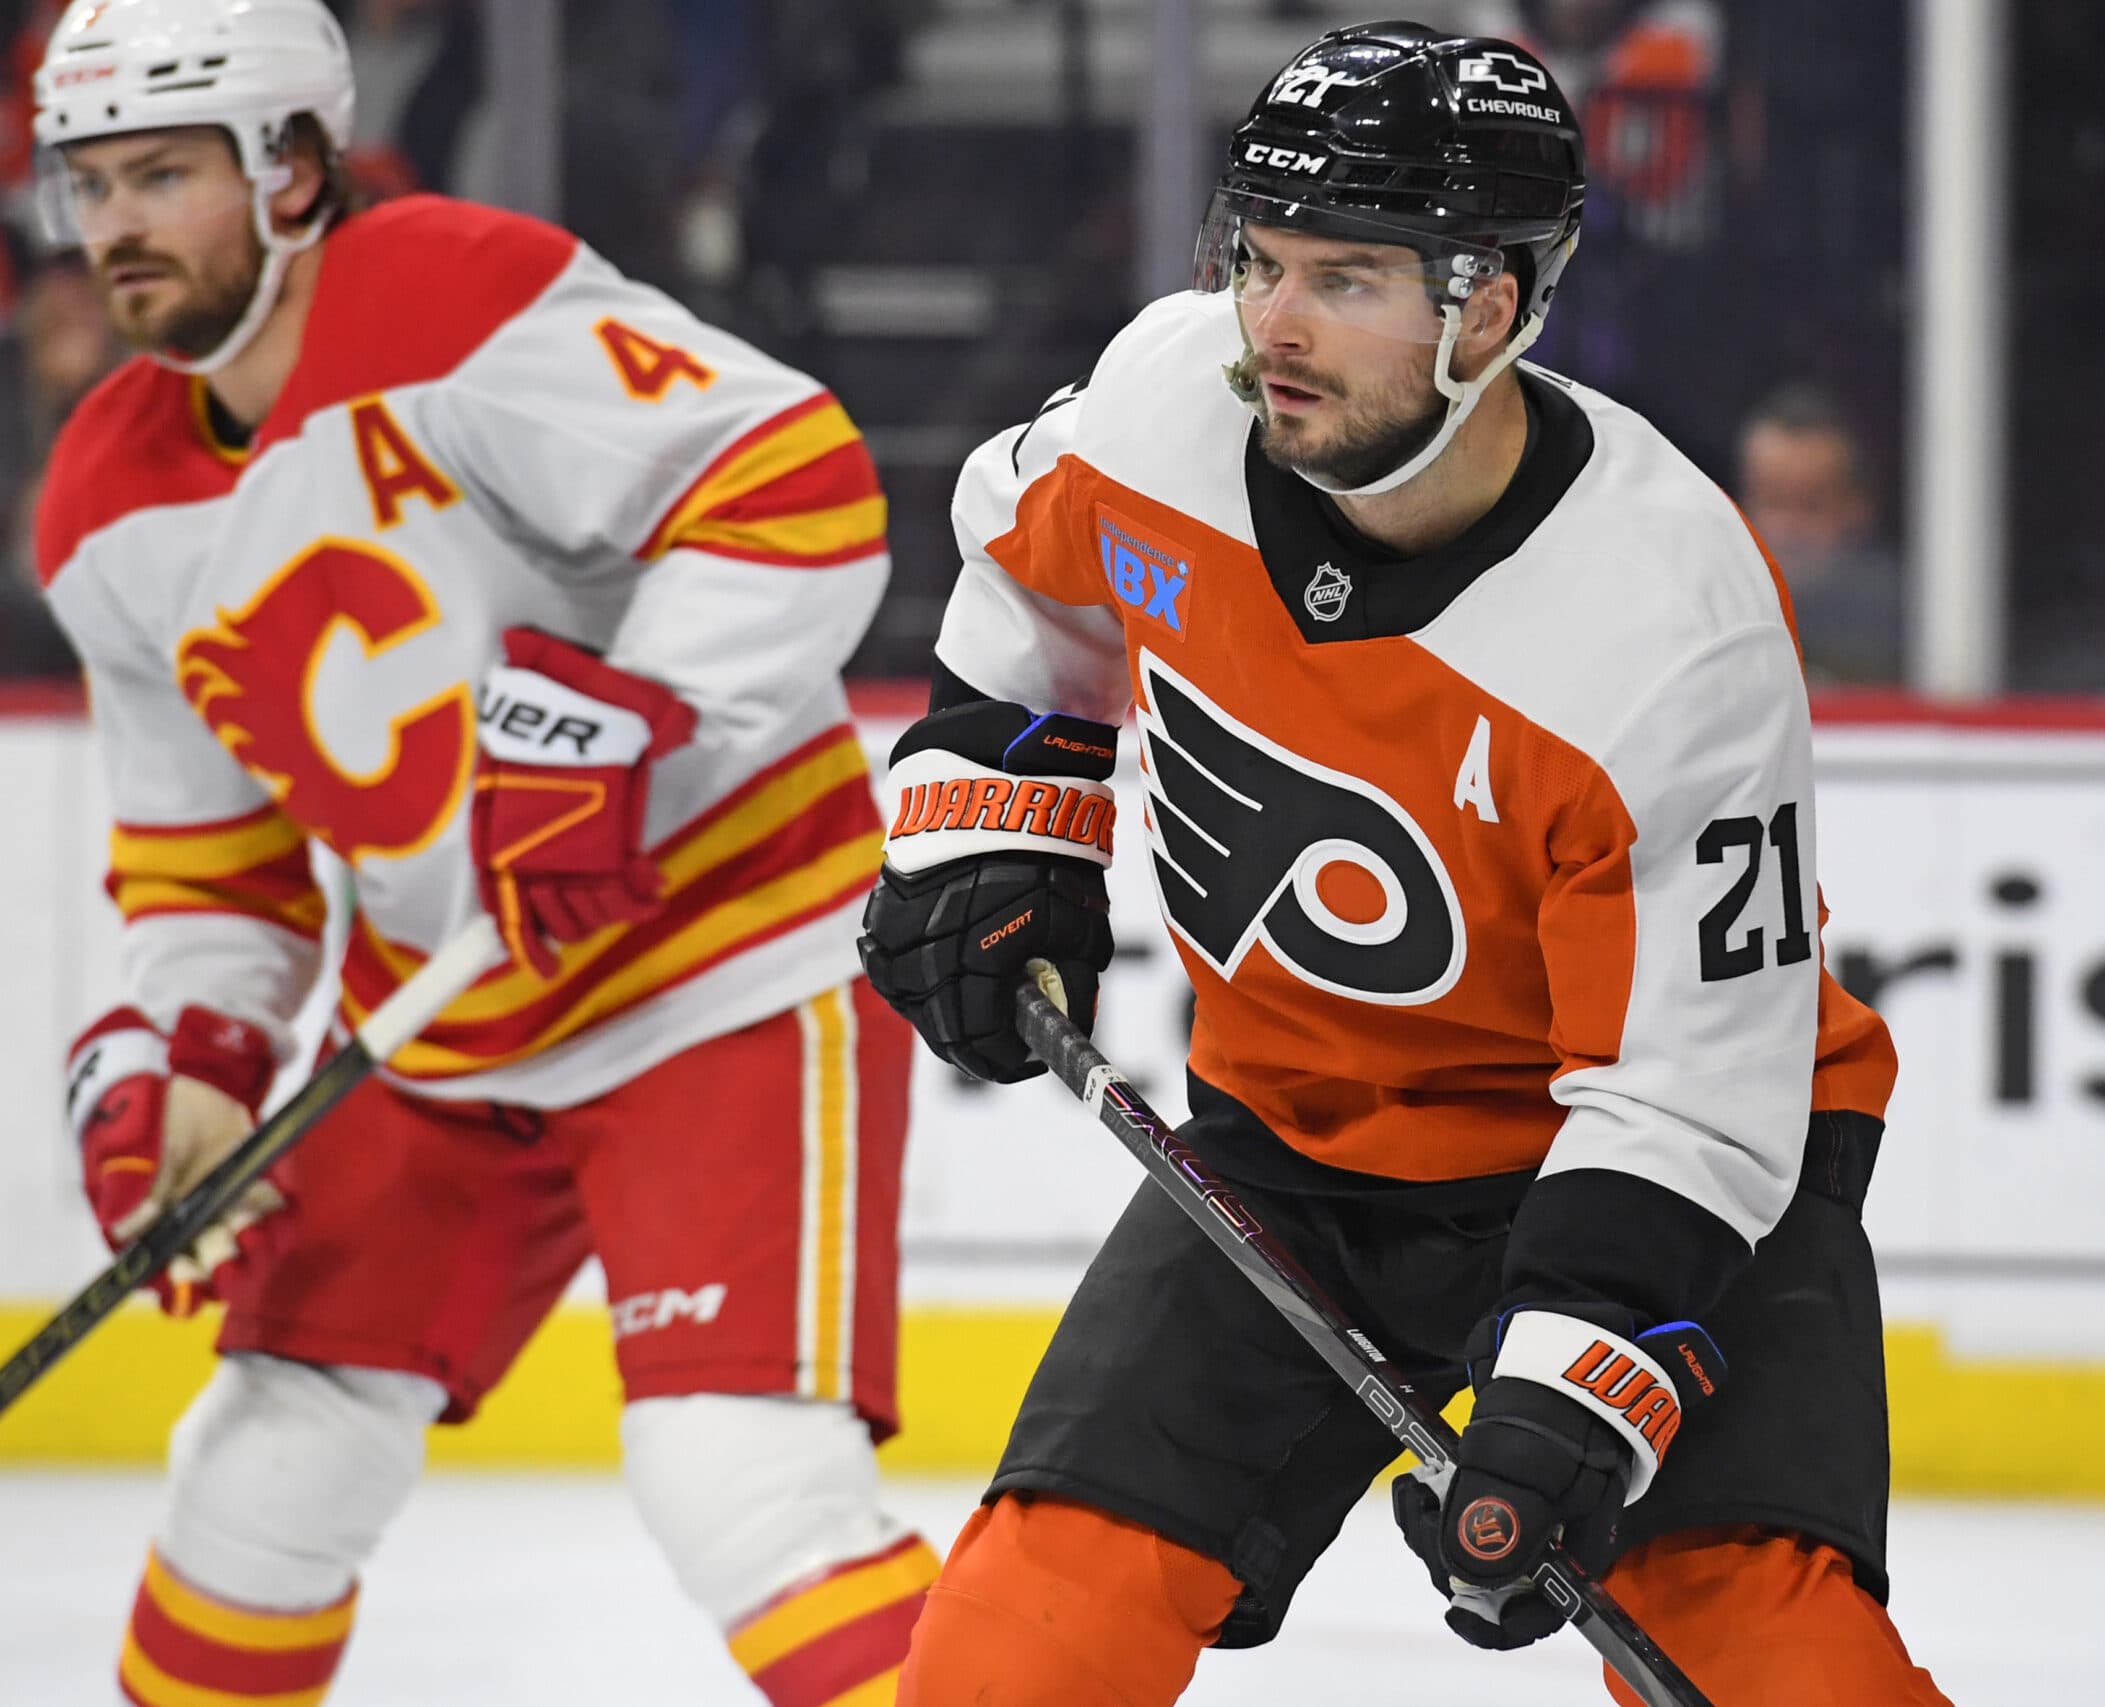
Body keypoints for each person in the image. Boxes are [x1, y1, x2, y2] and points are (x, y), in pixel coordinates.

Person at [859, 21, 1948, 1706]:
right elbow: (1025, 597)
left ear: (1491, 309)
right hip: (1294, 1159)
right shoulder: (1165, 404)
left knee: (1775, 1665)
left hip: (1667, 1176)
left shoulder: (1664, 631)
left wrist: (1576, 1380)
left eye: (1349, 280)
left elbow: (1688, 1087)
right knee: (1016, 1653)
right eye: (1261, 260)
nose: (1273, 330)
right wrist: (1002, 824)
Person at [33, 3, 931, 1703]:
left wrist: (625, 723)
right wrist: (197, 1055)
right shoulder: (104, 498)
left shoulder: (450, 292)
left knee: (743, 1481)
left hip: (719, 966)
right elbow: (209, 861)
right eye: (92, 184)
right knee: (257, 1476)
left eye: (163, 174)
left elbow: (790, 477)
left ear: (290, 170)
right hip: (442, 1027)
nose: (116, 227)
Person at [1736, 383, 1901, 684]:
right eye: (1771, 500)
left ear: (1858, 508)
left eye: (1812, 504)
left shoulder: (1908, 623)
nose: (1787, 529)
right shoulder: (1717, 609)